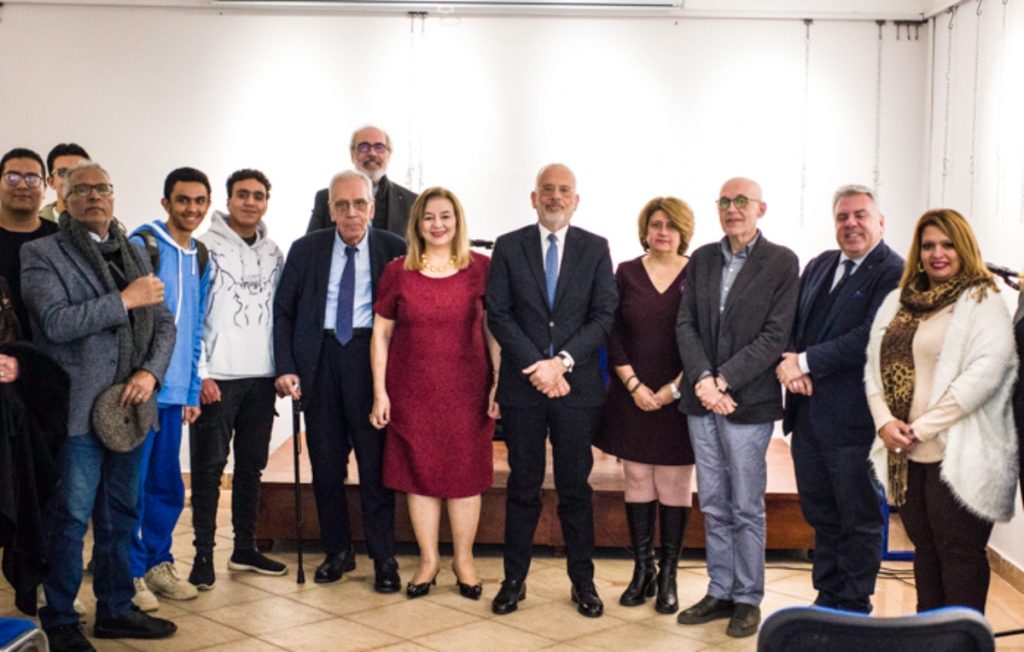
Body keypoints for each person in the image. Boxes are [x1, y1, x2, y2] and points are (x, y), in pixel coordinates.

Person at [21, 161, 177, 650]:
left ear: (113, 196)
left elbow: (165, 324)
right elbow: (55, 322)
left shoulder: (135, 251)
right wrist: (124, 300)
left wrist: (150, 373)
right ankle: (60, 618)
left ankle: (115, 608)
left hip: (131, 408)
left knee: (121, 514)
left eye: (103, 188)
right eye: (82, 189)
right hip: (76, 410)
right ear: (63, 200)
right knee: (71, 518)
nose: (94, 196)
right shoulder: (40, 253)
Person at [865, 208, 1018, 614]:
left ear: (964, 247)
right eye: (929, 245)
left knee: (960, 554)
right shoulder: (899, 300)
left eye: (948, 244)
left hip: (963, 452)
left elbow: (982, 375)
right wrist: (884, 422)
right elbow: (873, 366)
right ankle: (928, 637)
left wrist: (919, 428)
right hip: (907, 454)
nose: (937, 254)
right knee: (926, 551)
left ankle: (962, 640)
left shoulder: (982, 299)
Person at [486, 163, 617, 618]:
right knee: (522, 485)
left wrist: (560, 363)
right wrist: (536, 366)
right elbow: (499, 314)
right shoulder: (508, 246)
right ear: (533, 198)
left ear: (575, 200)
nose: (555, 197)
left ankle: (583, 582)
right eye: (547, 190)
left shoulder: (595, 248)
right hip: (523, 388)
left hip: (575, 388)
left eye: (563, 190)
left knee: (574, 488)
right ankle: (513, 581)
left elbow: (603, 315)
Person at [674, 177, 799, 638]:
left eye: (742, 201)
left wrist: (723, 379)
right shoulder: (703, 258)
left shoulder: (781, 262)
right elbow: (686, 324)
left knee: (745, 504)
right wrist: (704, 381)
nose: (733, 208)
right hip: (702, 400)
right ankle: (720, 590)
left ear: (761, 209)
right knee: (713, 501)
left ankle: (747, 597)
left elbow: (775, 335)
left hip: (749, 402)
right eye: (725, 201)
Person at [274, 170, 406, 591]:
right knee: (327, 466)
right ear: (330, 210)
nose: (351, 213)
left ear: (372, 207)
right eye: (342, 205)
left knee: (374, 466)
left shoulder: (394, 249)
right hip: (320, 360)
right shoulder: (306, 249)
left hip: (372, 361)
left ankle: (383, 557)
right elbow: (284, 312)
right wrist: (285, 366)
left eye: (359, 204)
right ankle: (338, 551)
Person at [776, 185, 903, 613]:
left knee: (858, 517)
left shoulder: (894, 272)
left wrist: (805, 362)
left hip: (856, 422)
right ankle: (827, 598)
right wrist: (790, 364)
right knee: (821, 513)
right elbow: (791, 324)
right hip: (808, 417)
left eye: (860, 215)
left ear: (880, 222)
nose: (851, 224)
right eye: (842, 217)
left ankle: (852, 604)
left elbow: (871, 336)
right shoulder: (819, 265)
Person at [370, 187, 500, 600]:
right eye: (429, 217)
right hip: (412, 391)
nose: (438, 224)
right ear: (417, 224)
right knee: (419, 477)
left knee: (465, 477)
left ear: (458, 221)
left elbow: (494, 330)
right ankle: (428, 561)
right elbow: (380, 335)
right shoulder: (398, 271)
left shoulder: (481, 268)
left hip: (468, 390)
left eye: (445, 216)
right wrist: (380, 393)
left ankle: (464, 561)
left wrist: (499, 380)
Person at [593, 196, 695, 615]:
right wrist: (633, 383)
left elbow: (705, 338)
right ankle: (643, 570)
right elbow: (612, 332)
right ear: (645, 230)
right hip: (631, 391)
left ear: (683, 232)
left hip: (681, 393)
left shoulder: (697, 273)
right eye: (656, 225)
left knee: (673, 482)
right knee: (636, 477)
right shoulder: (626, 272)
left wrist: (674, 389)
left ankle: (668, 575)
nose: (663, 232)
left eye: (671, 226)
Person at [189, 169, 285, 589]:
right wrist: (200, 374)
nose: (250, 202)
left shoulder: (275, 253)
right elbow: (191, 315)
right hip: (218, 378)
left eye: (258, 196)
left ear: (266, 202)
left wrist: (282, 369)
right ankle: (202, 555)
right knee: (209, 469)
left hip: (261, 378)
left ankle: (244, 548)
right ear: (227, 201)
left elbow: (282, 314)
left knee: (251, 467)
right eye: (242, 195)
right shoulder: (203, 248)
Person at [125, 168, 212, 610]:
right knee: (132, 488)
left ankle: (159, 563)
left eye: (199, 201)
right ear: (166, 203)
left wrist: (192, 390)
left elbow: (194, 328)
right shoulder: (144, 245)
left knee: (166, 485)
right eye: (182, 200)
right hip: (140, 390)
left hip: (175, 393)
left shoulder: (201, 256)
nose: (191, 209)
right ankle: (130, 572)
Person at [306, 125, 418, 236]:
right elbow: (310, 244)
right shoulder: (326, 198)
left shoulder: (412, 202)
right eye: (364, 147)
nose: (372, 153)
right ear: (352, 154)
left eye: (379, 147)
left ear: (389, 154)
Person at [0, 148, 59, 340]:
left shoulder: (62, 239)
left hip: (54, 349)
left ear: (45, 188)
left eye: (32, 178)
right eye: (12, 177)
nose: (22, 185)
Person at [39, 143, 90, 222]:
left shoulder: (107, 224)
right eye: (63, 172)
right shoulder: (31, 224)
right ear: (51, 182)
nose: (72, 179)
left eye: (79, 171)